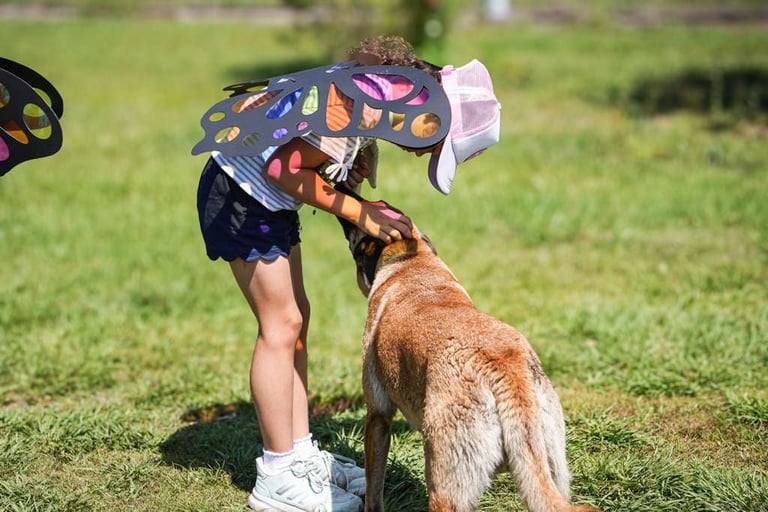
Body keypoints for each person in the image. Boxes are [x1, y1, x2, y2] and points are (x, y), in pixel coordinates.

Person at [196, 36, 500, 512]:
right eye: (434, 146)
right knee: (280, 326)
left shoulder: (370, 95)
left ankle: (299, 454)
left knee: (298, 318)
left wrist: (349, 179)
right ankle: (278, 477)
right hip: (241, 195)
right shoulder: (346, 107)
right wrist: (361, 214)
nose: (422, 155)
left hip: (262, 199)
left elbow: (306, 155)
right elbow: (284, 168)